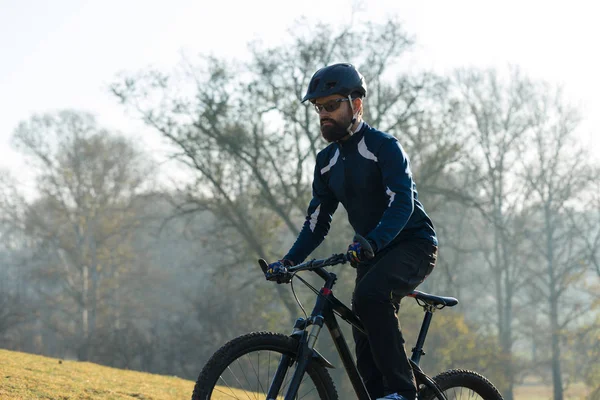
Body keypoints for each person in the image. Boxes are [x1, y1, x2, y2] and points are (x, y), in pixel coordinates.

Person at [265, 63, 438, 400]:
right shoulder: (325, 161)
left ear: (356, 104)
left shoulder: (384, 147)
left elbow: (401, 203)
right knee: (363, 328)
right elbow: (317, 224)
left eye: (332, 105)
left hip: (413, 245)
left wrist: (373, 241)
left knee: (369, 297)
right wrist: (287, 261)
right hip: (371, 253)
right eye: (319, 108)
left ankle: (404, 392)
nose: (324, 115)